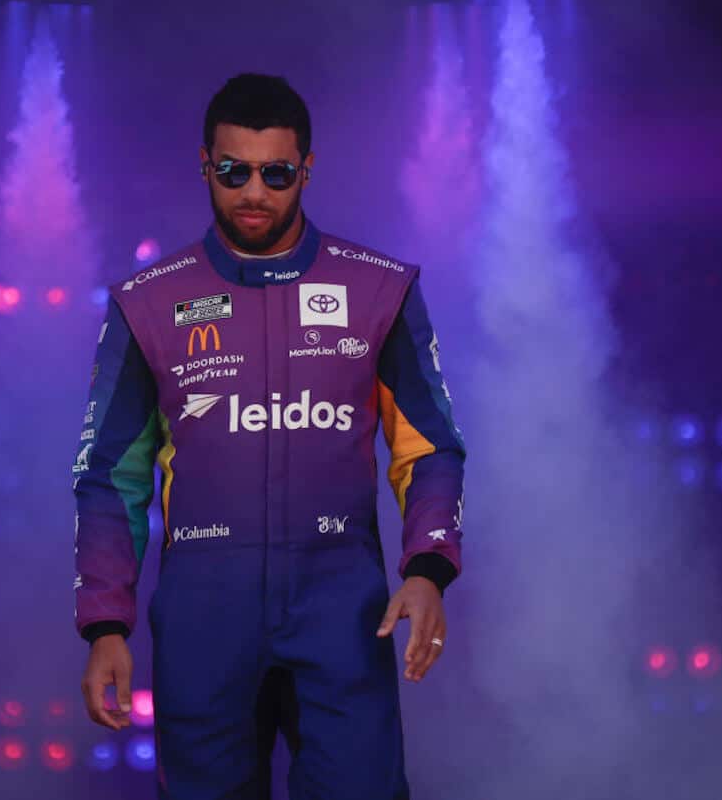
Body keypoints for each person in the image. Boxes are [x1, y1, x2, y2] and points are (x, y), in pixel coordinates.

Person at [72, 72, 465, 799]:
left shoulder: (379, 290)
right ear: (205, 165)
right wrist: (105, 626)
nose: (253, 191)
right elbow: (110, 478)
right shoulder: (148, 303)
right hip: (202, 617)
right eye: (233, 171)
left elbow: (430, 447)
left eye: (276, 173)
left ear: (306, 170)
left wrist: (427, 568)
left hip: (343, 612)